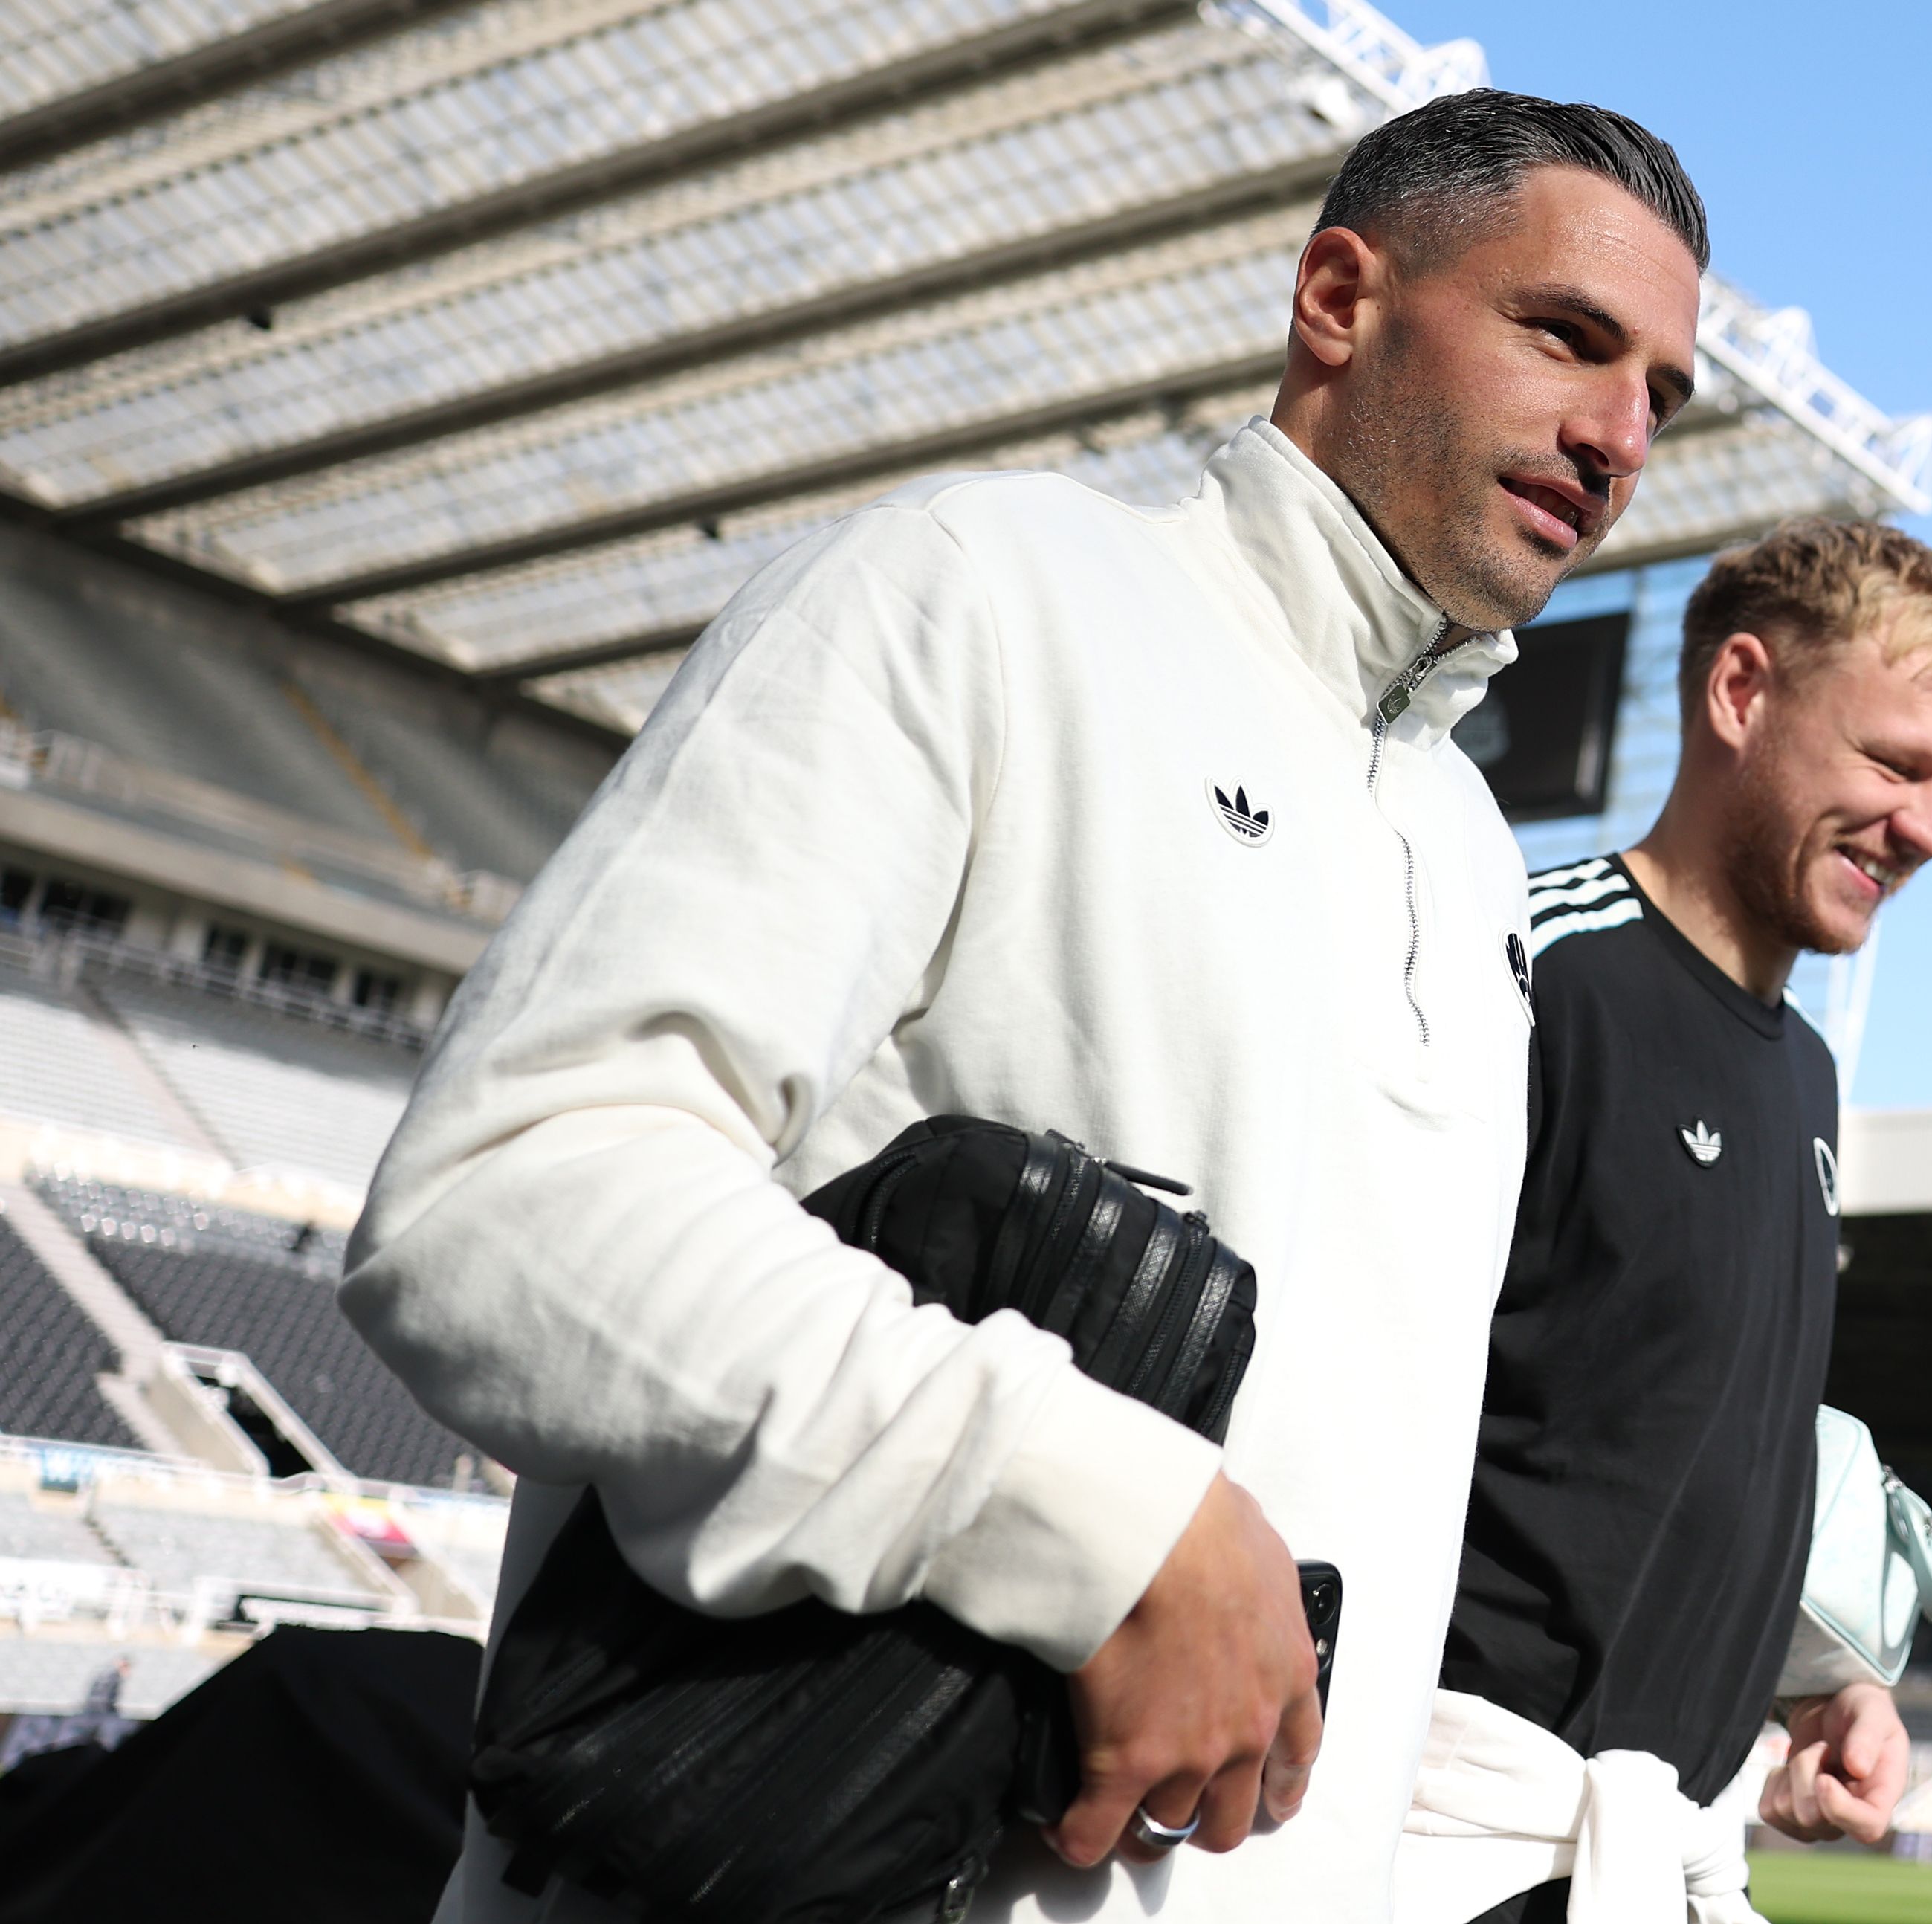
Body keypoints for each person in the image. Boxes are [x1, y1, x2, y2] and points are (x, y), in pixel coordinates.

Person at [339, 89, 1708, 1923]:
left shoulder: (1467, 848)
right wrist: (1094, 1509)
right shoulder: (975, 590)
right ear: (1336, 298)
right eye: (1565, 335)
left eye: (1664, 400)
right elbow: (508, 1198)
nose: (1620, 434)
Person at [1396, 520, 1932, 1924]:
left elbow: (1699, 1425)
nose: (1926, 829)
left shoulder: (1807, 1072)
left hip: (1661, 1856)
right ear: (1741, 693)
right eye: (1893, 764)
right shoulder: (1529, 976)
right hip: (1448, 1849)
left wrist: (1821, 1676)